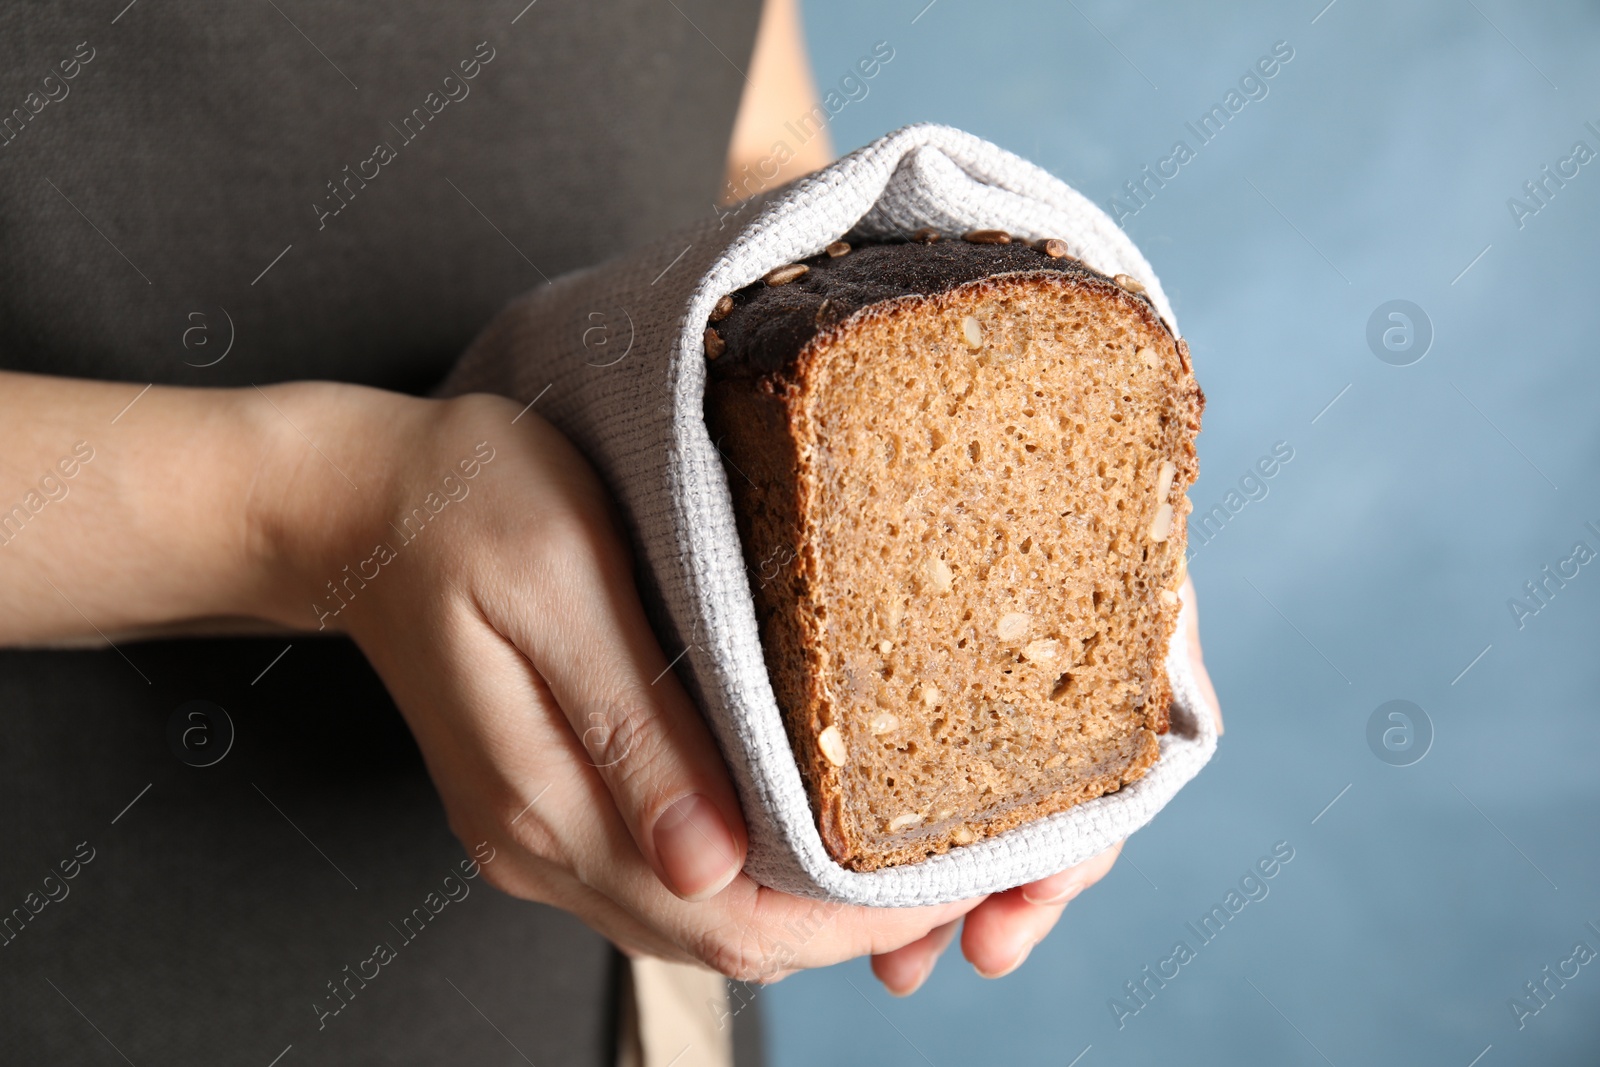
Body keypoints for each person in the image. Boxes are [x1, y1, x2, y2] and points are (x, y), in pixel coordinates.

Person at [0, 1, 1220, 1063]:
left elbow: (741, 133)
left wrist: (1031, 485)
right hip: (125, 936)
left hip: (622, 988)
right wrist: (319, 510)